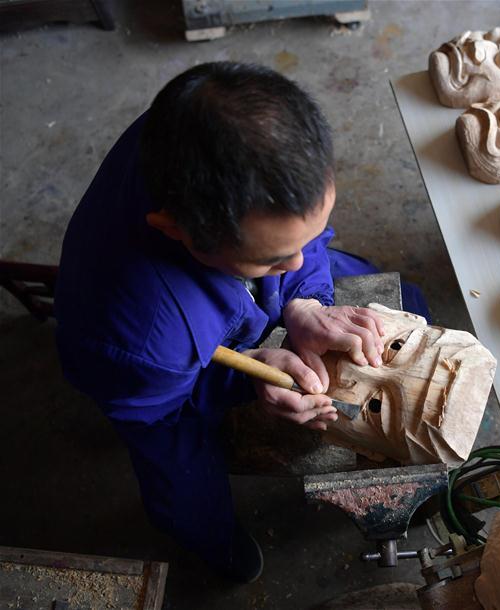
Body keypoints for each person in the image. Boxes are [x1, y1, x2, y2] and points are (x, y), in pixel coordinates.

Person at [54, 62, 401, 582]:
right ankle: (216, 549)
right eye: (273, 258)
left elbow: (299, 249)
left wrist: (304, 301)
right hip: (150, 378)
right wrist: (248, 374)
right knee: (184, 475)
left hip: (208, 286)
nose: (298, 262)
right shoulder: (140, 342)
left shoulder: (213, 124)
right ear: (174, 228)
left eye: (309, 232)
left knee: (363, 286)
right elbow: (171, 400)